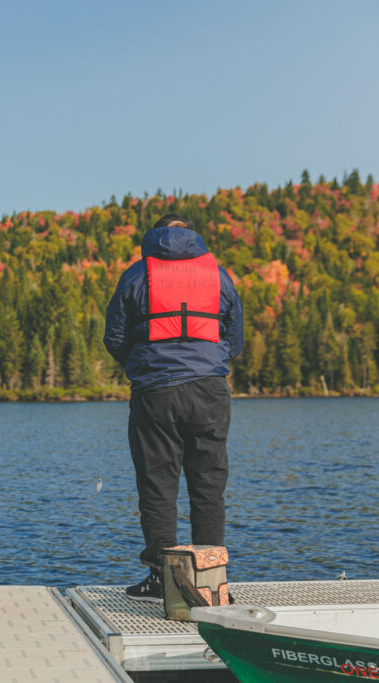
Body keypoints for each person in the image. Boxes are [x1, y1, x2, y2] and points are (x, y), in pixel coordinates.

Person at [104, 214, 243, 602]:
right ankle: (212, 583)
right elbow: (235, 338)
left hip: (155, 392)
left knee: (158, 487)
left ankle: (162, 581)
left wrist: (145, 362)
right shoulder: (218, 275)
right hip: (210, 390)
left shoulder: (137, 275)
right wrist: (209, 363)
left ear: (156, 236)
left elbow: (114, 336)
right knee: (208, 487)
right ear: (192, 235)